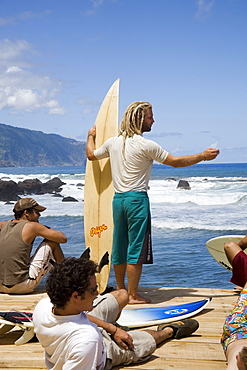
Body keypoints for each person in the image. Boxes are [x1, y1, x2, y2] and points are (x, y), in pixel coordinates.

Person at [86, 101, 220, 304]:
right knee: (136, 249)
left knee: (119, 246)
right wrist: (202, 156)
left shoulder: (113, 143)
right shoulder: (146, 145)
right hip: (137, 200)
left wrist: (90, 136)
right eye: (150, 117)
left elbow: (90, 155)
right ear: (139, 119)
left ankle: (121, 291)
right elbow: (175, 162)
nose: (153, 120)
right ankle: (132, 295)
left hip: (118, 200)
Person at [33, 257, 199, 370]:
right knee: (147, 341)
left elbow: (77, 318)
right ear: (76, 296)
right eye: (92, 290)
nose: (97, 294)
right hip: (104, 351)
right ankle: (168, 331)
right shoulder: (87, 340)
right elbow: (84, 337)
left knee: (122, 295)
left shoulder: (44, 305)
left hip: (90, 325)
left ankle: (118, 328)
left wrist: (113, 329)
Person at [0, 197, 66, 294]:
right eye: (37, 212)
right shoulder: (32, 226)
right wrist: (43, 228)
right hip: (21, 286)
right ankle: (67, 280)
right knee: (52, 242)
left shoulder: (3, 225)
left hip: (1, 286)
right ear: (26, 213)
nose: (39, 215)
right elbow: (62, 238)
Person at [221, 280, 247, 370]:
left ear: (237, 358)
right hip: (237, 328)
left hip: (237, 330)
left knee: (245, 298)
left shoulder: (234, 366)